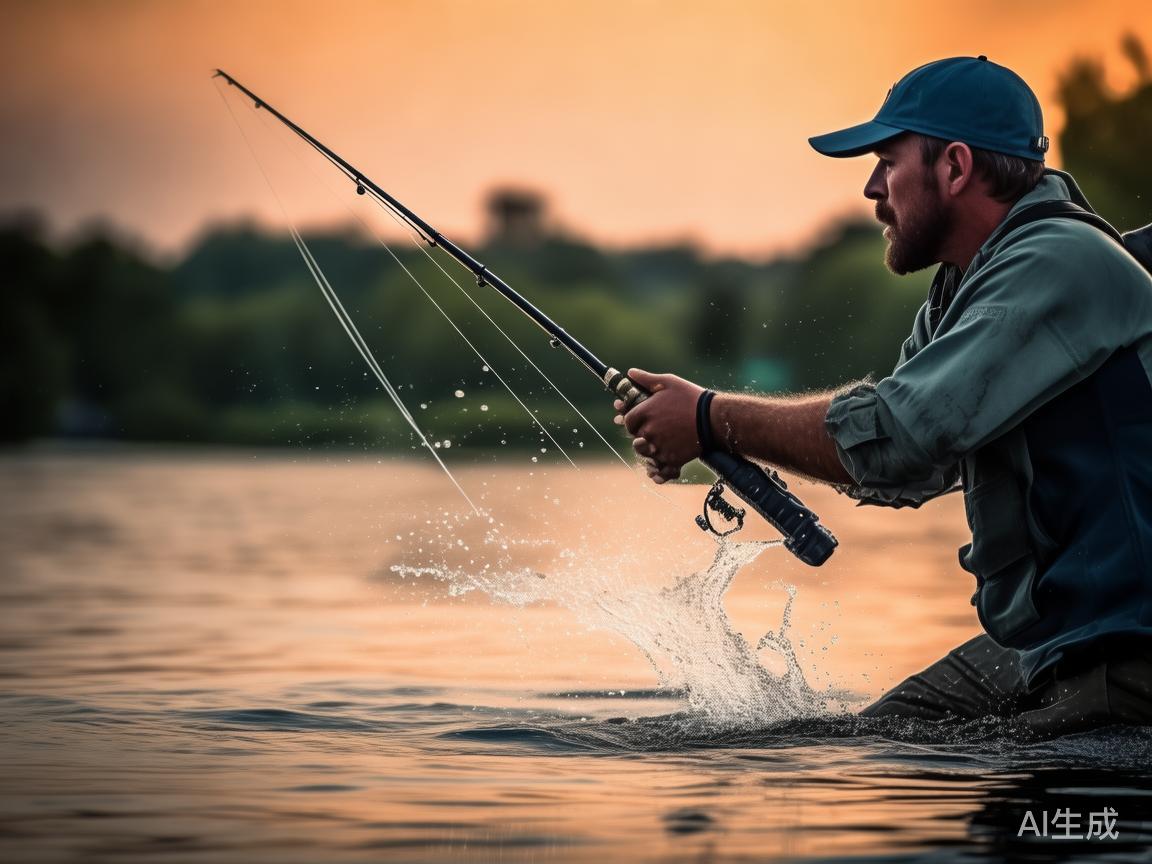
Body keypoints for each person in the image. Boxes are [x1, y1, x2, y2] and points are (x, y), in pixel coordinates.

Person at [615, 56, 1152, 737]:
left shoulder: (1059, 262)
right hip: (1054, 641)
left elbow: (897, 436)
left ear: (954, 167)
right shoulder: (965, 289)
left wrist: (708, 419)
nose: (871, 188)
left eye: (887, 162)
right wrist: (716, 428)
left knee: (895, 768)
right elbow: (907, 467)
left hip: (1128, 645)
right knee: (871, 738)